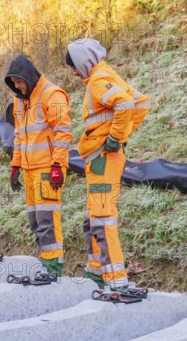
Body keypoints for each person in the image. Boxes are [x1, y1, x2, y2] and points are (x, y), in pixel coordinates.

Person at [66, 38, 151, 290]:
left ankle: (116, 282)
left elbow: (125, 104)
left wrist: (115, 137)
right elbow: (142, 102)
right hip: (103, 160)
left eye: (74, 66)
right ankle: (96, 271)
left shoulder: (98, 81)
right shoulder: (108, 74)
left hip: (103, 160)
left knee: (102, 218)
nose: (73, 72)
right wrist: (119, 136)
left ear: (84, 62)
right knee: (92, 216)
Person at [5, 55, 73, 277]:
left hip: (47, 169)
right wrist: (16, 165)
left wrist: (57, 165)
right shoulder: (19, 100)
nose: (16, 86)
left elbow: (63, 132)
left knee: (47, 221)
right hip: (29, 170)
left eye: (18, 81)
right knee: (35, 220)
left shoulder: (51, 95)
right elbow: (19, 135)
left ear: (28, 76)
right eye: (13, 83)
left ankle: (53, 268)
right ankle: (46, 263)